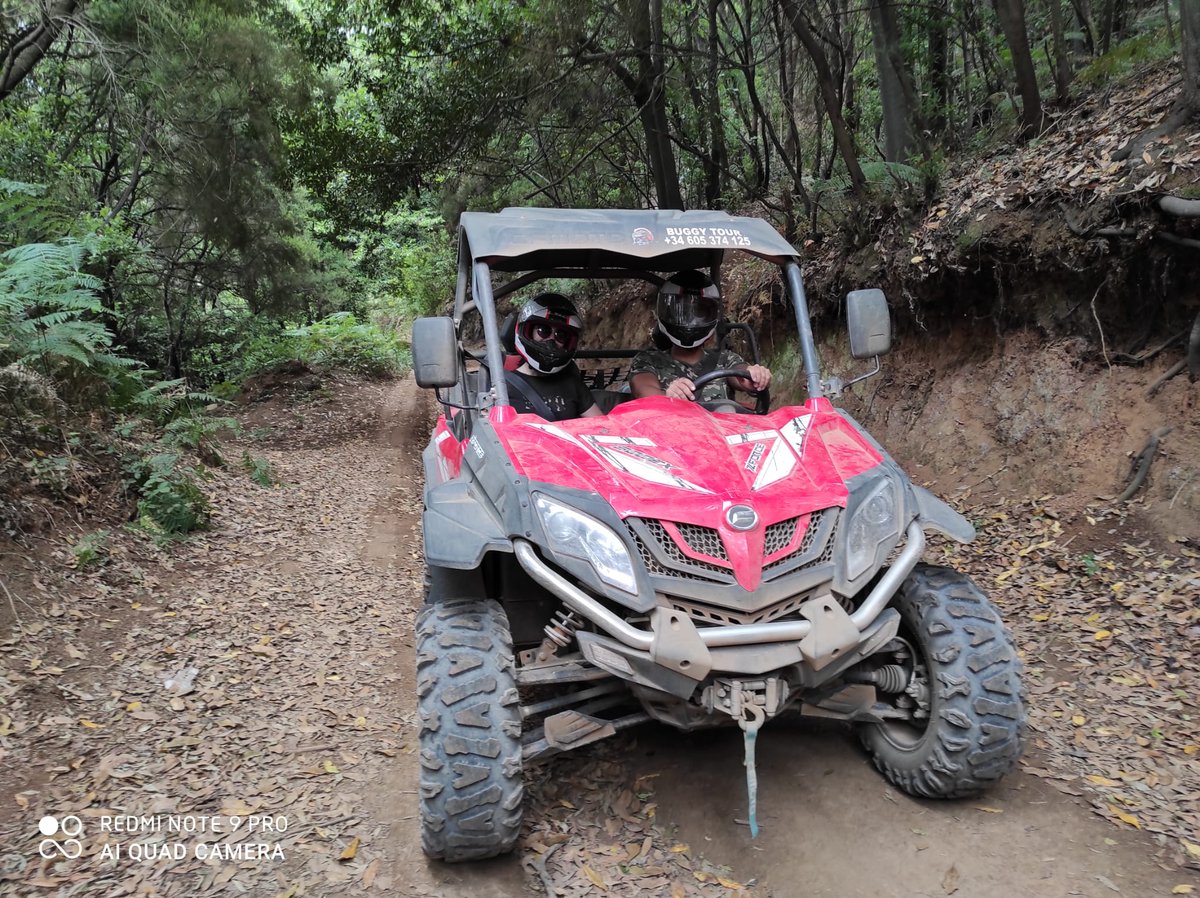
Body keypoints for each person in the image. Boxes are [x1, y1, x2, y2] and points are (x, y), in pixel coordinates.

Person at [628, 270, 771, 403]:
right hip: (670, 427)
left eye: (700, 313)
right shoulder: (648, 361)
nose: (690, 321)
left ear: (712, 315)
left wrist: (756, 376)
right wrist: (669, 396)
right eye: (682, 312)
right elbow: (644, 391)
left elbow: (741, 376)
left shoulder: (725, 359)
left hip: (721, 429)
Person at [506, 293, 603, 420]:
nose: (551, 340)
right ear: (528, 332)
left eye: (560, 335)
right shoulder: (504, 386)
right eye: (543, 331)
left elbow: (601, 425)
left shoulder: (571, 383)